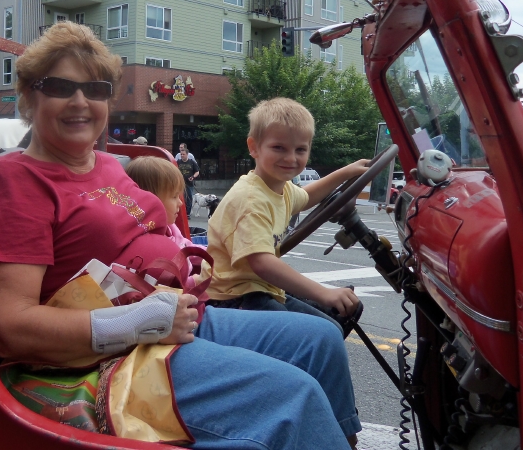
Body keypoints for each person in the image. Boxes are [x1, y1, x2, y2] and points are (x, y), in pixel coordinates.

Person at [0, 22, 359, 450]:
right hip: (110, 354)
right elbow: (10, 327)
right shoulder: (13, 181)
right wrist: (139, 322)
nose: (80, 101)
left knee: (320, 341)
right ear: (29, 96)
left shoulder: (109, 165)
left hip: (176, 314)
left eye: (95, 89)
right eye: (60, 87)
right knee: (293, 398)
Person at [204, 97, 368, 338]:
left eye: (300, 149)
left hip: (258, 287)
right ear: (254, 147)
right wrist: (324, 292)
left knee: (343, 313)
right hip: (233, 297)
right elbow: (262, 263)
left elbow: (307, 196)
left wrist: (346, 172)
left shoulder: (279, 188)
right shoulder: (251, 200)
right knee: (325, 333)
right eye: (279, 148)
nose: (291, 158)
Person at [126, 155, 204, 251]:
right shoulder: (147, 245)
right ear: (150, 202)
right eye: (174, 196)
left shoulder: (170, 227)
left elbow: (186, 246)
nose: (180, 203)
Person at [177, 147, 199, 217]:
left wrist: (193, 177)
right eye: (181, 154)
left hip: (189, 183)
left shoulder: (192, 162)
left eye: (183, 154)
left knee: (189, 198)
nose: (182, 155)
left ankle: (188, 213)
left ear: (187, 154)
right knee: (180, 197)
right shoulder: (178, 162)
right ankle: (180, 212)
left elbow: (197, 172)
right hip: (180, 183)